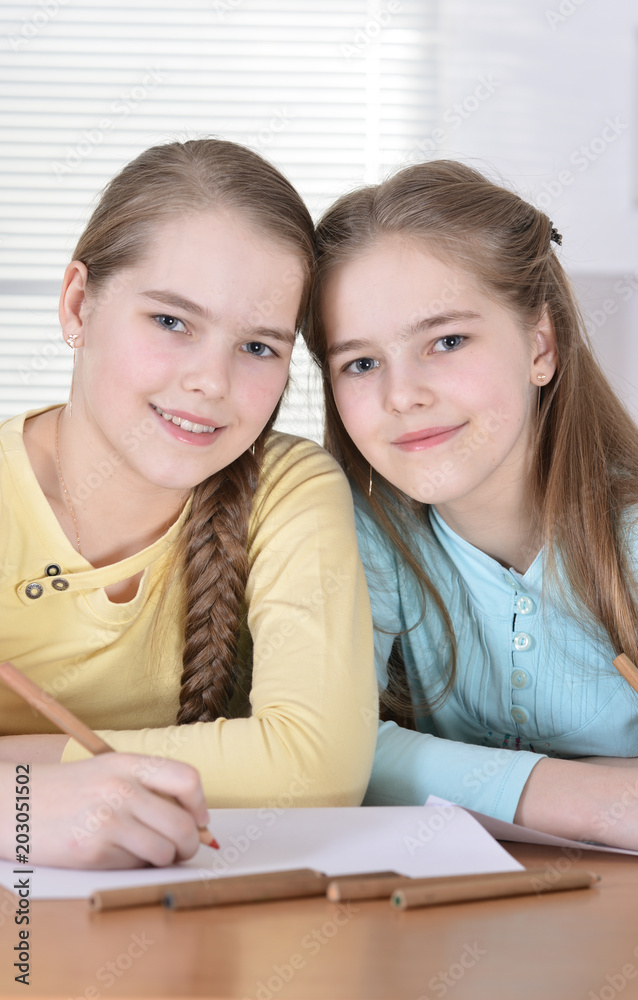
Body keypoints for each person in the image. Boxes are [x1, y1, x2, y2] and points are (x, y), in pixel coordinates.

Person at [0, 139, 377, 869]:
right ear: (79, 305)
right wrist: (19, 807)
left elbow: (315, 765)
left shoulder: (289, 488)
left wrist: (22, 770)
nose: (210, 382)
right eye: (172, 322)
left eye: (259, 347)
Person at [305, 158, 638, 854]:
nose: (402, 395)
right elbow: (329, 750)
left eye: (446, 341)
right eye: (361, 363)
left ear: (540, 344)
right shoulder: (359, 530)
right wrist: (598, 800)